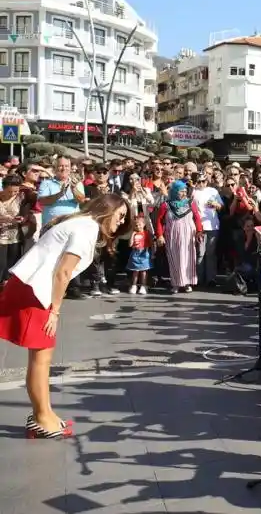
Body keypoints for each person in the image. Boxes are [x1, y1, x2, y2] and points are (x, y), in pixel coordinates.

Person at [0, 194, 129, 438]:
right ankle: (41, 418)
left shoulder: (81, 223)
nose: (122, 222)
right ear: (107, 210)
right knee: (41, 357)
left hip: (31, 286)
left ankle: (44, 414)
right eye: (120, 215)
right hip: (34, 290)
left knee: (42, 356)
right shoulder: (87, 229)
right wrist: (55, 311)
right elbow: (64, 273)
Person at [155, 180, 203, 295]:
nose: (184, 193)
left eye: (185, 191)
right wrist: (160, 235)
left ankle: (187, 283)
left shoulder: (191, 203)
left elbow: (197, 218)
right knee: (174, 259)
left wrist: (199, 232)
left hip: (188, 236)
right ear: (175, 191)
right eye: (181, 191)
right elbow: (159, 221)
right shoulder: (166, 205)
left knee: (188, 259)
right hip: (172, 235)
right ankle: (176, 283)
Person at [191, 174, 224, 289]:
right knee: (200, 253)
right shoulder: (193, 192)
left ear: (207, 181)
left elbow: (221, 206)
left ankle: (211, 279)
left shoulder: (213, 190)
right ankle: (199, 279)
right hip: (199, 226)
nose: (201, 184)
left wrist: (216, 204)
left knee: (211, 253)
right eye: (199, 181)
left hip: (213, 225)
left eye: (203, 181)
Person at [38, 157, 86, 226]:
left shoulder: (77, 183)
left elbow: (81, 200)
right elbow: (42, 201)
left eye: (66, 166)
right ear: (54, 168)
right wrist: (59, 194)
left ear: (70, 168)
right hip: (51, 225)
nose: (64, 169)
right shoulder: (46, 183)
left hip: (72, 224)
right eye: (61, 166)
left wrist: (74, 189)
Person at [126, 214, 153, 295]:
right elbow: (130, 245)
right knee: (135, 271)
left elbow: (151, 243)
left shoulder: (147, 233)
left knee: (144, 271)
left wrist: (152, 253)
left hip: (144, 253)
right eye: (136, 225)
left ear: (144, 224)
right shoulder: (134, 233)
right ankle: (134, 285)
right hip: (135, 253)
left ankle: (143, 286)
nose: (138, 226)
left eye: (139, 224)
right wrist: (132, 235)